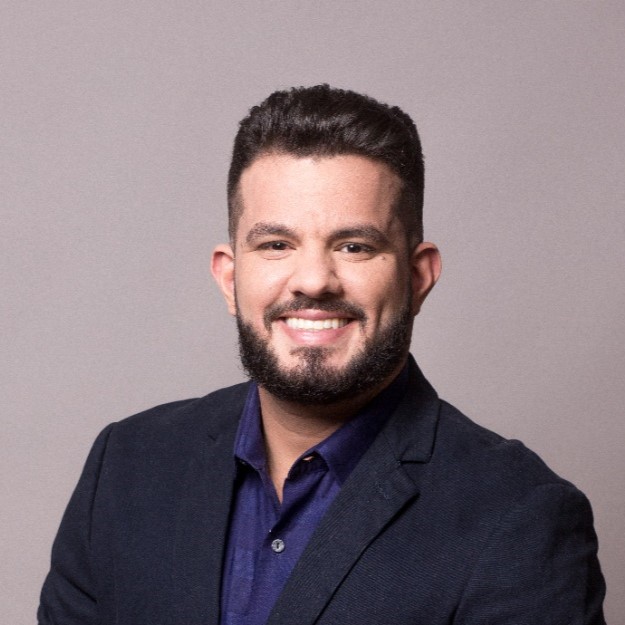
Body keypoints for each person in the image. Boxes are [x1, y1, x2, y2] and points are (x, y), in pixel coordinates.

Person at [38, 85, 606, 625]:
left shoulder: (519, 516)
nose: (313, 280)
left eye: (355, 246)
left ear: (418, 277)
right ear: (230, 278)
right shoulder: (127, 465)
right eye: (276, 245)